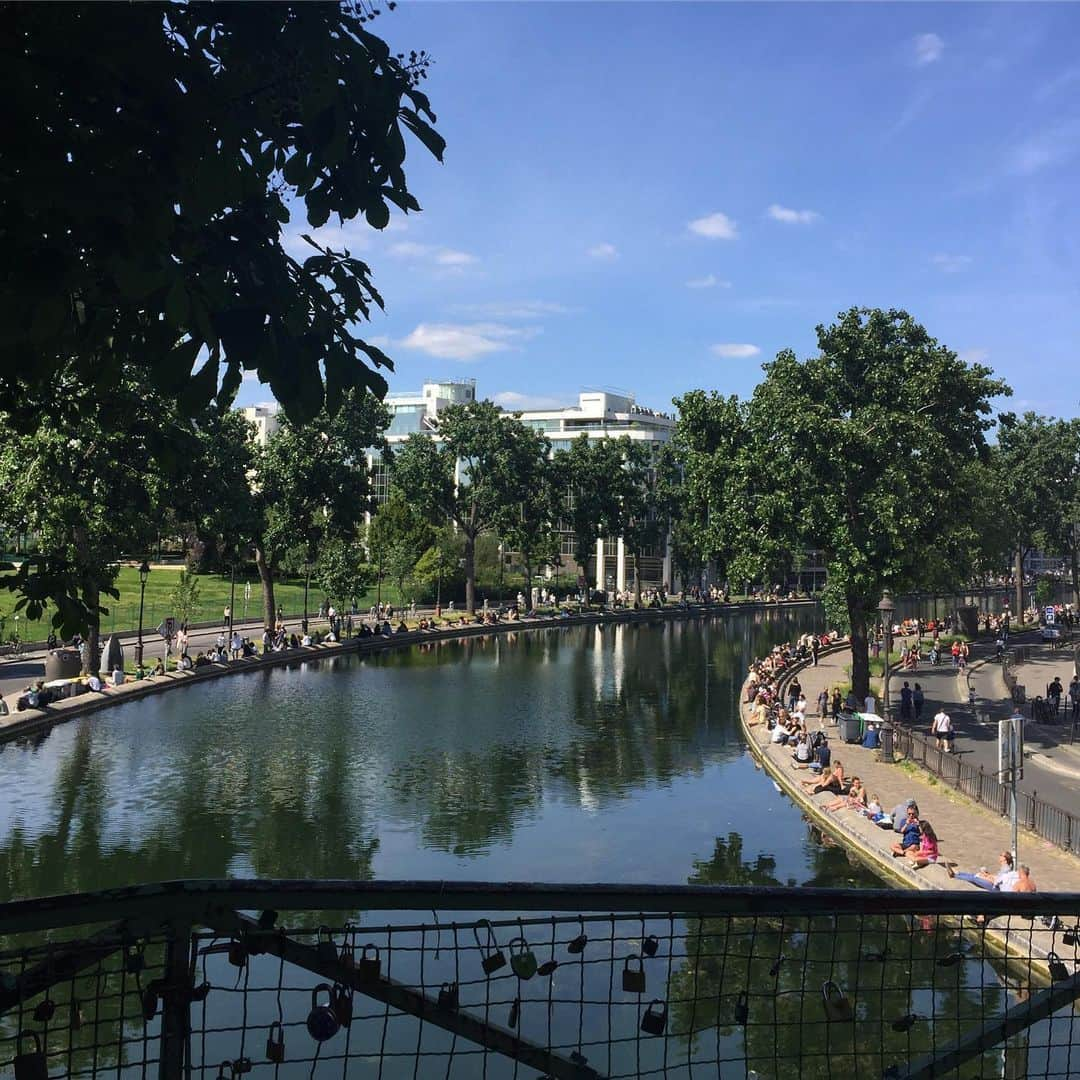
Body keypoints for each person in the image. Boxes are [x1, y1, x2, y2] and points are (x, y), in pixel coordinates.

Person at [947, 851, 1017, 891]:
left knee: (975, 878)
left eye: (1001, 855)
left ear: (1004, 859)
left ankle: (954, 875)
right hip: (994, 884)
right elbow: (997, 877)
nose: (999, 856)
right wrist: (987, 874)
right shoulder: (1004, 867)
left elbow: (997, 882)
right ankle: (958, 873)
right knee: (976, 875)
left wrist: (985, 877)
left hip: (995, 888)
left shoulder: (1006, 869)